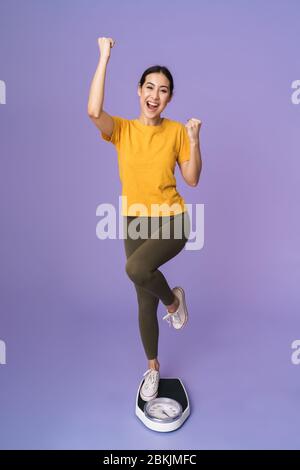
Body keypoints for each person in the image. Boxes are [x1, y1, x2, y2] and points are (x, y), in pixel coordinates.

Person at [88, 37, 202, 402]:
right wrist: (104, 57)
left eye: (163, 90)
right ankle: (152, 368)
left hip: (173, 221)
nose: (155, 95)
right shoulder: (121, 129)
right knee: (142, 300)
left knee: (136, 269)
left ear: (169, 99)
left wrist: (195, 140)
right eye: (149, 87)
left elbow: (193, 179)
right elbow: (93, 111)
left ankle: (173, 303)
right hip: (134, 223)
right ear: (139, 92)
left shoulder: (175, 132)